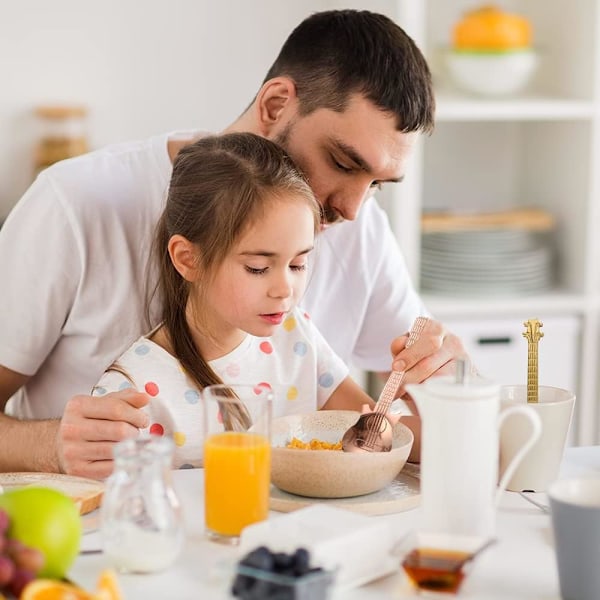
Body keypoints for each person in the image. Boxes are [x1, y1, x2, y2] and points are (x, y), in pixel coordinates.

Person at [0, 9, 463, 477]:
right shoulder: (74, 204)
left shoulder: (355, 229)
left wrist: (449, 377)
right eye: (342, 163)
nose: (352, 209)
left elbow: (408, 411)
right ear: (276, 104)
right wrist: (52, 445)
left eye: (379, 184)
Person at [92, 132, 419, 468]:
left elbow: (374, 435)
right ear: (189, 259)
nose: (285, 289)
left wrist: (424, 394)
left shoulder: (297, 338)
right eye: (258, 268)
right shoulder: (134, 388)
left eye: (298, 264)